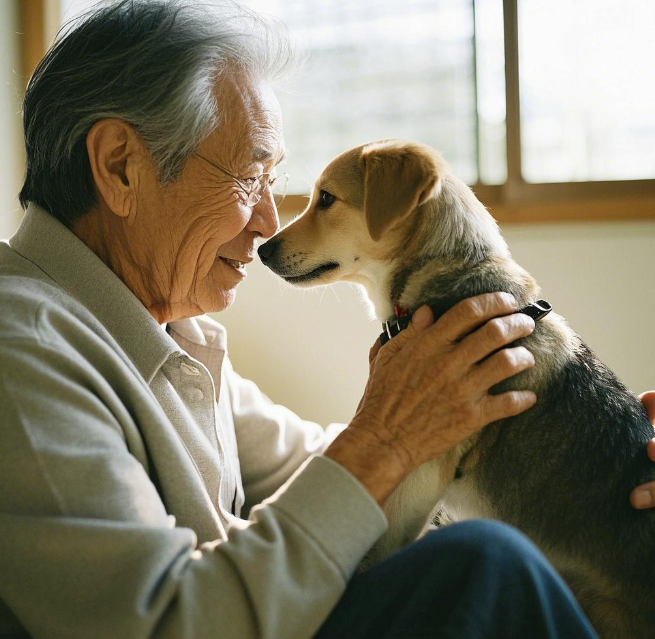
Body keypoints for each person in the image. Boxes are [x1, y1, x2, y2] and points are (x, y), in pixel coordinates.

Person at [0, 2, 652, 638]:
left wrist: (599, 474)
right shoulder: (23, 353)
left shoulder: (163, 339)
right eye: (248, 176)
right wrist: (384, 443)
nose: (265, 225)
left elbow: (321, 471)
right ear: (120, 166)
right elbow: (161, 622)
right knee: (481, 565)